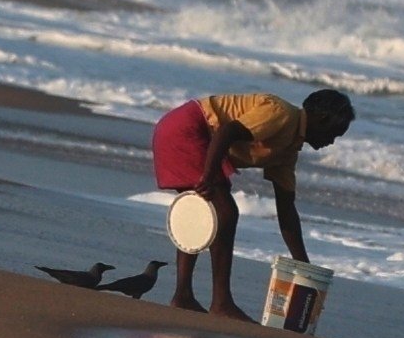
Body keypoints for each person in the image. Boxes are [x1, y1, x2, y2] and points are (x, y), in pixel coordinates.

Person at [151, 86, 354, 319]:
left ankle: (183, 296)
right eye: (334, 133)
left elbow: (286, 210)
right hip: (188, 128)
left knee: (203, 214)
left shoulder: (288, 152)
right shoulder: (282, 114)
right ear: (322, 119)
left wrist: (305, 269)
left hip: (191, 134)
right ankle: (221, 303)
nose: (332, 142)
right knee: (225, 213)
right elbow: (226, 131)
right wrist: (208, 176)